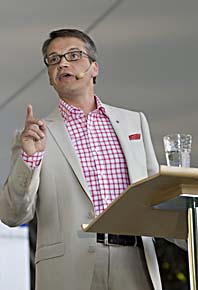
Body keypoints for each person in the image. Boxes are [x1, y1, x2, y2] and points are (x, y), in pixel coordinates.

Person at [0, 29, 161, 290]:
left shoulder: (134, 123)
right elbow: (11, 214)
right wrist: (31, 159)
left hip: (135, 261)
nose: (62, 63)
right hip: (67, 270)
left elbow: (157, 200)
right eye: (53, 59)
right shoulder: (34, 136)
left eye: (73, 55)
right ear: (51, 78)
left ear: (94, 68)